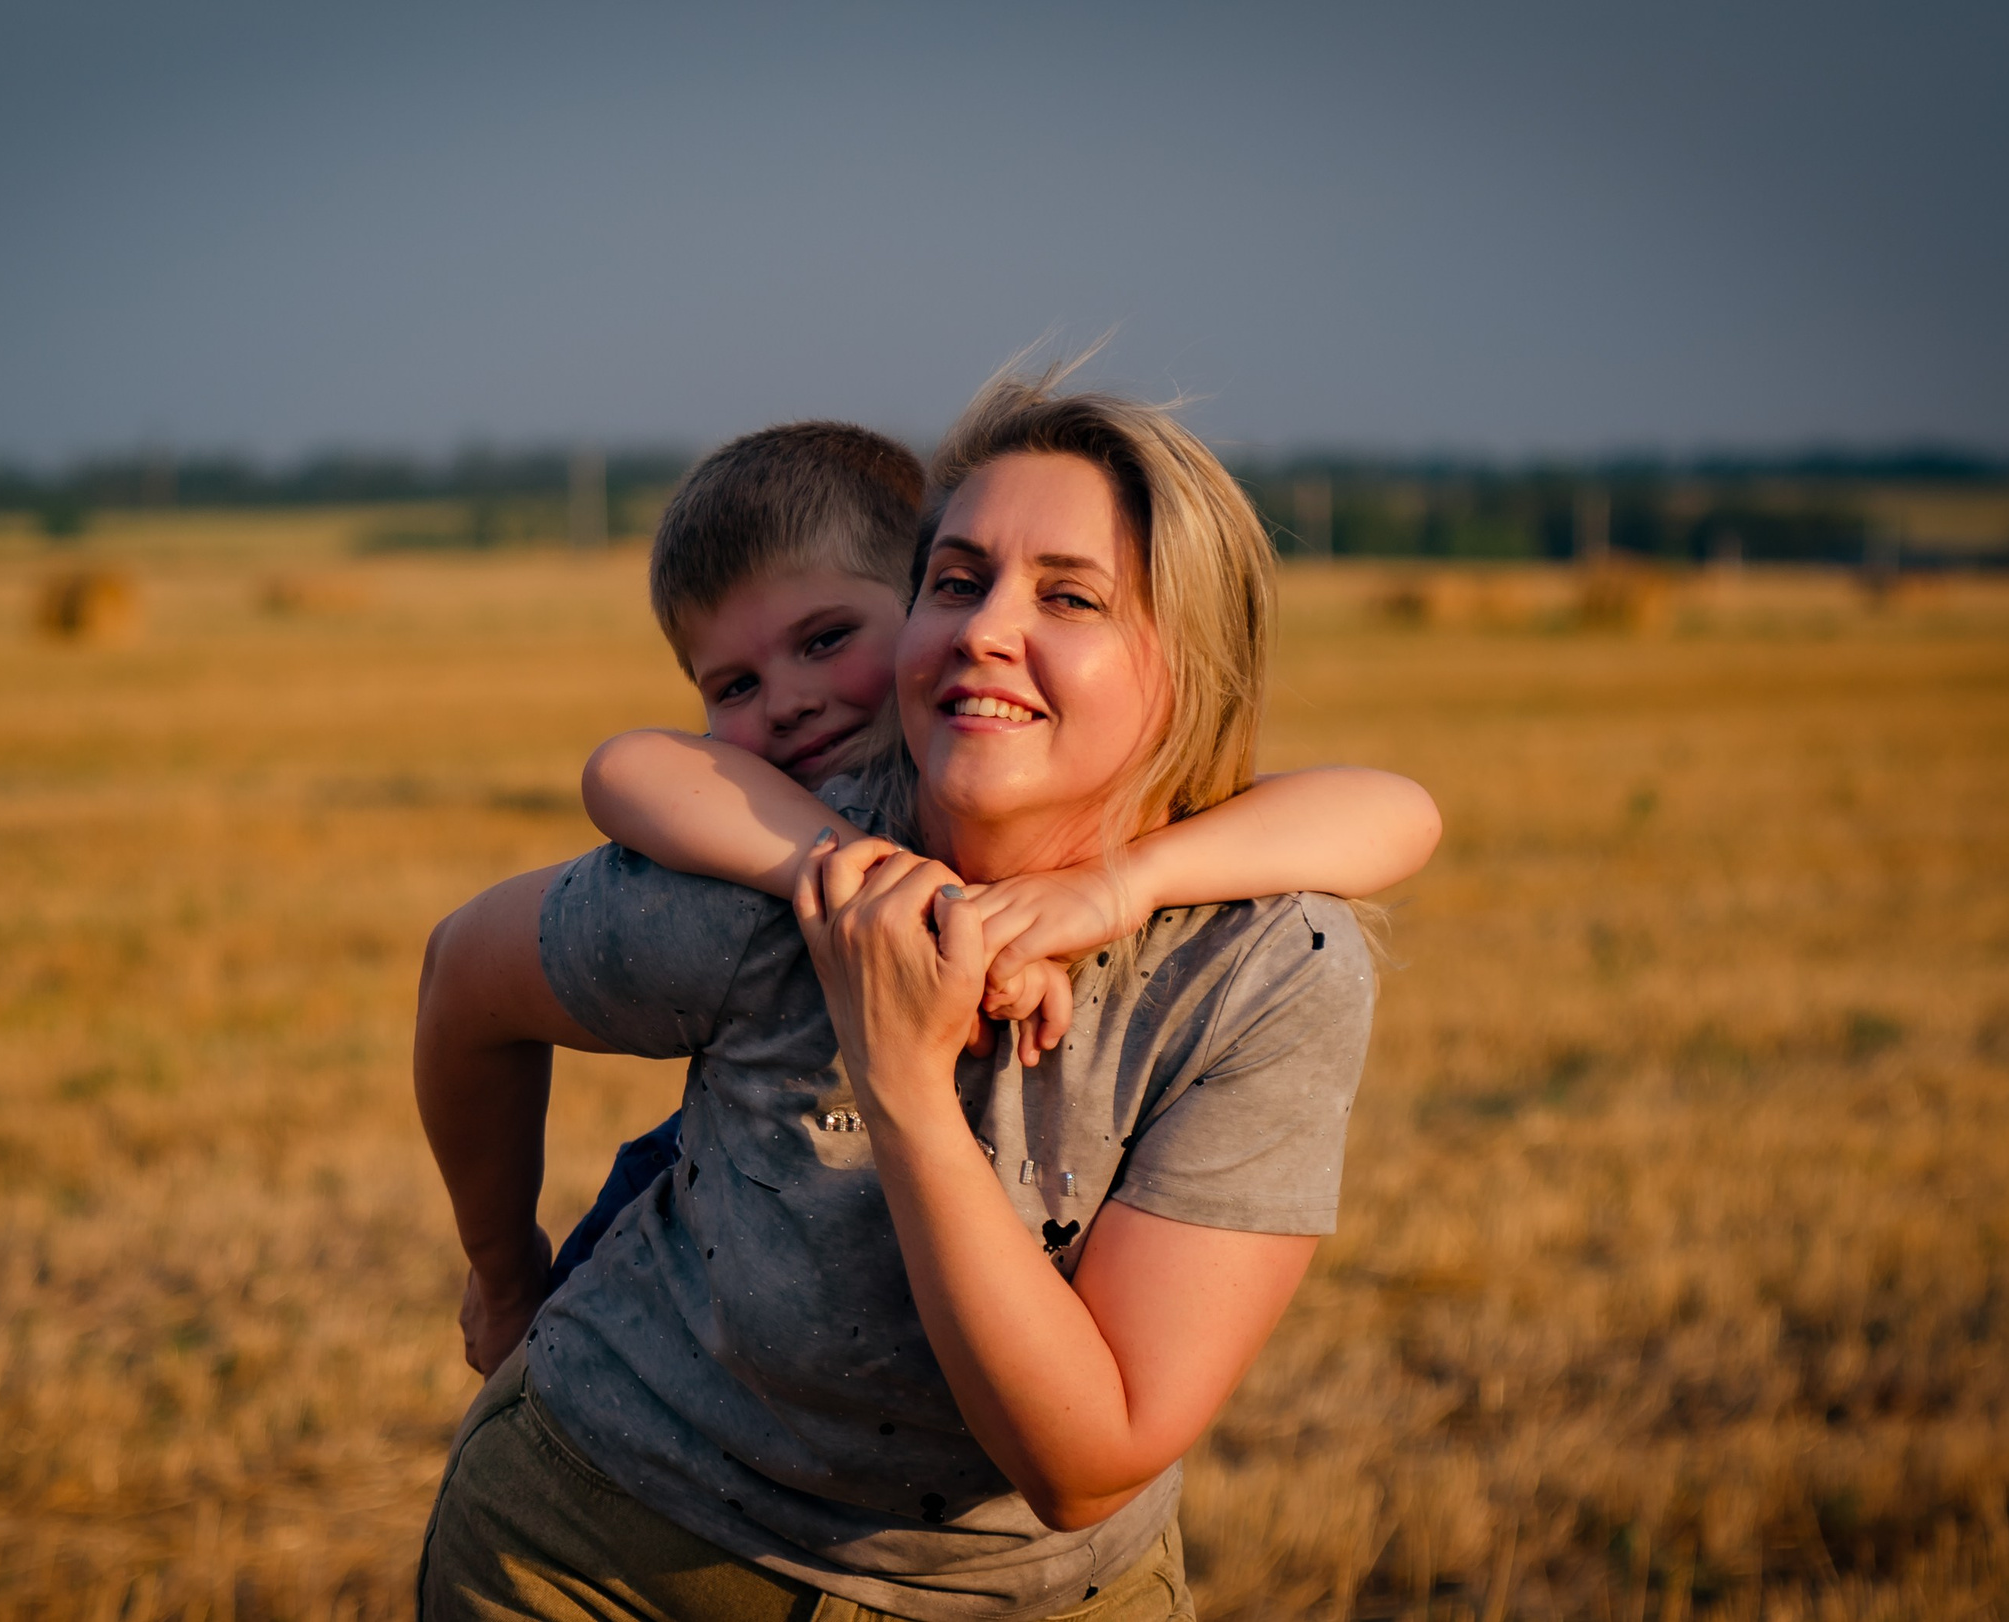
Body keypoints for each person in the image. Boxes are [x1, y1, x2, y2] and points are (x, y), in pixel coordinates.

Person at [411, 369, 1399, 1620]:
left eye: (1070, 594)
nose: (986, 627)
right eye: (959, 579)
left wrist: (1100, 901)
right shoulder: (764, 875)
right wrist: (504, 1276)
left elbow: (1085, 1464)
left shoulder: (1261, 962)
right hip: (598, 1553)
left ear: (1187, 652)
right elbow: (472, 963)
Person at [542, 420, 1440, 1290]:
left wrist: (1113, 888)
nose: (787, 703)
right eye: (734, 687)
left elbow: (1401, 813)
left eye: (826, 642)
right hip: (729, 1180)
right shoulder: (810, 805)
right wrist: (887, 880)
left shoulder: (1006, 754)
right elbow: (625, 767)